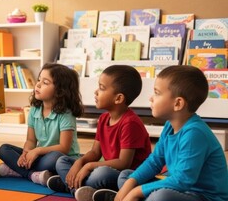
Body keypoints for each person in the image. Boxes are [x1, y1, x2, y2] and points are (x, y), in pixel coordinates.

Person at [93, 65, 228, 201]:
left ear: (178, 104)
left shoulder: (195, 133)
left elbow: (182, 181)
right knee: (127, 176)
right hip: (181, 191)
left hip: (204, 197)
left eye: (157, 93)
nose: (151, 98)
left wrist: (137, 191)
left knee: (161, 196)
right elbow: (155, 161)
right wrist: (131, 182)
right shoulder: (170, 125)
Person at [47, 65, 151, 201]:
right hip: (108, 168)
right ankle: (80, 189)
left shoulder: (130, 123)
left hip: (125, 175)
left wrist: (89, 166)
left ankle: (71, 186)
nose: (96, 91)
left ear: (118, 98)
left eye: (101, 88)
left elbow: (123, 162)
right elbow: (95, 153)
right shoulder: (103, 118)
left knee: (102, 173)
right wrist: (81, 162)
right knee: (63, 161)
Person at [0, 63, 84, 186]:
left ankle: (19, 171)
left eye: (45, 82)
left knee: (55, 158)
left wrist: (37, 151)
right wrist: (25, 153)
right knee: (4, 149)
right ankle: (32, 175)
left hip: (62, 158)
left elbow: (64, 148)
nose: (38, 84)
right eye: (39, 80)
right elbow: (31, 140)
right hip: (39, 157)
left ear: (60, 90)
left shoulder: (66, 114)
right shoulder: (34, 110)